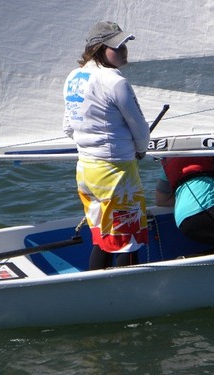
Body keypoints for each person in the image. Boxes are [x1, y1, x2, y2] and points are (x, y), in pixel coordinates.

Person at [63, 21, 150, 270]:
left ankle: (95, 291)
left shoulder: (73, 77)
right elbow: (141, 131)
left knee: (101, 238)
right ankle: (128, 296)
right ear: (99, 48)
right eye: (116, 46)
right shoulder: (115, 81)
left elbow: (68, 127)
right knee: (128, 240)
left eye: (124, 44)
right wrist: (140, 149)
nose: (123, 50)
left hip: (86, 172)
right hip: (115, 174)